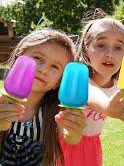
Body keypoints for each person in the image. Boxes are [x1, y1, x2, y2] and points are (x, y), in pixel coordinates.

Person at [60, 11, 124, 166]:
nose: (109, 54)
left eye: (118, 47)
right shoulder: (82, 81)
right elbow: (91, 94)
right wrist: (108, 108)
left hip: (93, 146)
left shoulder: (118, 86)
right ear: (86, 49)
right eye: (101, 45)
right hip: (67, 145)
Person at [0, 29, 86, 165]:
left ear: (58, 82)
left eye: (55, 67)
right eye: (38, 58)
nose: (43, 69)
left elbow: (70, 139)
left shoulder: (57, 115)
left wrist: (74, 134)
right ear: (19, 59)